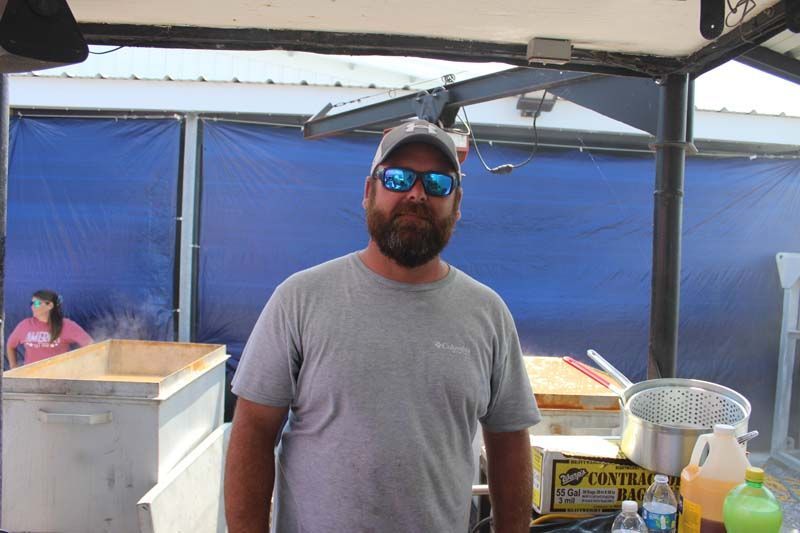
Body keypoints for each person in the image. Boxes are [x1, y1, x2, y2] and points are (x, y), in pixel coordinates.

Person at [225, 119, 540, 533]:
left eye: (438, 183)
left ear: (457, 203)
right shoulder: (300, 300)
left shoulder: (488, 314)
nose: (417, 193)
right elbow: (253, 432)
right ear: (368, 191)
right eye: (398, 178)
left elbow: (510, 444)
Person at [6, 289, 93, 369]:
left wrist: (82, 366)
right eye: (31, 303)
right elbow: (10, 345)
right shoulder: (24, 325)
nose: (32, 307)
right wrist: (13, 366)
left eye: (36, 303)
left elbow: (90, 345)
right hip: (31, 376)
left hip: (58, 375)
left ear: (50, 305)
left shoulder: (67, 325)